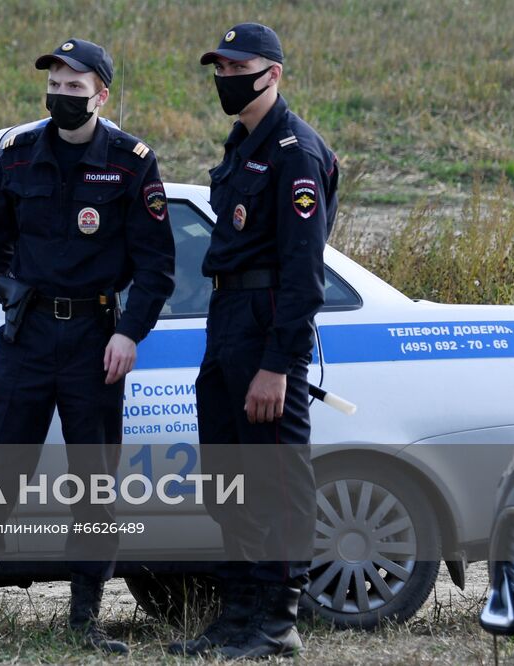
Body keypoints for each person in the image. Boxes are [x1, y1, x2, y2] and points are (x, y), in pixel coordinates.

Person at [0, 37, 175, 654]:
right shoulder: (18, 156)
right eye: (55, 86)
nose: (62, 96)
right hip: (27, 335)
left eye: (75, 87)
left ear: (102, 95)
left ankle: (86, 620)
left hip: (95, 338)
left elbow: (157, 267)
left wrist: (128, 333)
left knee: (93, 482)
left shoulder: (131, 161)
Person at [168, 23, 339, 660]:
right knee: (226, 476)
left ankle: (277, 621)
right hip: (227, 316)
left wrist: (279, 366)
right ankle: (237, 613)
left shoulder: (295, 152)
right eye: (219, 67)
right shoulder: (241, 144)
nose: (225, 77)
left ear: (273, 73)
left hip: (269, 321)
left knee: (276, 478)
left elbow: (304, 274)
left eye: (237, 67)